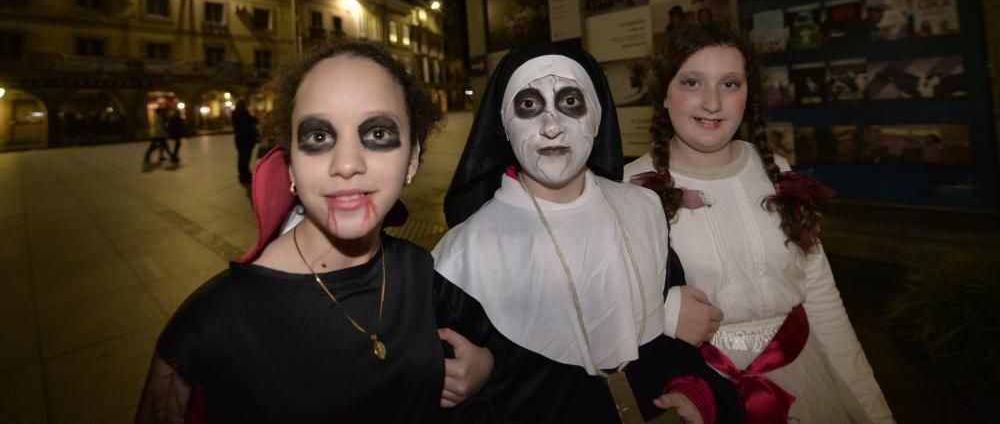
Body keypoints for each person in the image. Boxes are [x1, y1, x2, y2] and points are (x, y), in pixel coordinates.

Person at [135, 41, 494, 423]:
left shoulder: (419, 271)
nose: (346, 164)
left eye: (376, 134)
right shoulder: (210, 325)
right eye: (319, 137)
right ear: (290, 166)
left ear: (412, 159)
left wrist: (485, 366)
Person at [435, 42, 743, 424]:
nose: (551, 127)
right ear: (503, 125)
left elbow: (672, 338)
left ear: (597, 119)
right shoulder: (464, 255)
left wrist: (690, 389)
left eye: (570, 102)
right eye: (529, 105)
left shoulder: (643, 211)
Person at [624, 23, 894, 423]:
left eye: (730, 84)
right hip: (699, 393)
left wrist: (873, 409)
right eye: (693, 82)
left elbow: (820, 298)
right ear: (663, 93)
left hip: (802, 382)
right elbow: (596, 310)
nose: (713, 103)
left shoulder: (778, 172)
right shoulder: (630, 189)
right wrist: (656, 312)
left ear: (747, 94)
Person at [232, 99, 259, 184]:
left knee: (241, 157)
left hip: (239, 139)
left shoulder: (234, 115)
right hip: (247, 140)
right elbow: (255, 121)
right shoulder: (245, 115)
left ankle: (242, 174)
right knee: (246, 157)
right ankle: (245, 174)